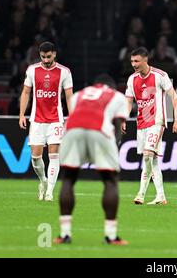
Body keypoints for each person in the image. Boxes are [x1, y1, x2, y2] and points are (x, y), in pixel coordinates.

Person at [53, 74, 128, 245]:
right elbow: (117, 124)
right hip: (99, 129)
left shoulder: (80, 94)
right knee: (110, 181)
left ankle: (64, 234)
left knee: (68, 179)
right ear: (111, 86)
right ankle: (111, 236)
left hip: (72, 129)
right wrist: (114, 147)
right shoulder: (117, 96)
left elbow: (73, 113)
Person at [123, 47, 177, 205]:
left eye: (136, 61)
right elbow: (129, 101)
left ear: (145, 60)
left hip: (157, 121)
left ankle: (141, 194)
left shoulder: (160, 75)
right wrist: (123, 117)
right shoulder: (131, 79)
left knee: (147, 155)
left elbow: (174, 98)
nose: (134, 64)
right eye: (132, 61)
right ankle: (161, 196)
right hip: (141, 124)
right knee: (153, 160)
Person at [19, 41, 73, 202]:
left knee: (53, 155)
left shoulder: (64, 72)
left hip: (56, 120)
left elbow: (69, 96)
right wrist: (22, 114)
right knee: (35, 157)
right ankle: (43, 180)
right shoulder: (32, 70)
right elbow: (26, 92)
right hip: (37, 120)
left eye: (49, 56)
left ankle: (49, 191)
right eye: (43, 57)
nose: (46, 60)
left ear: (54, 54)